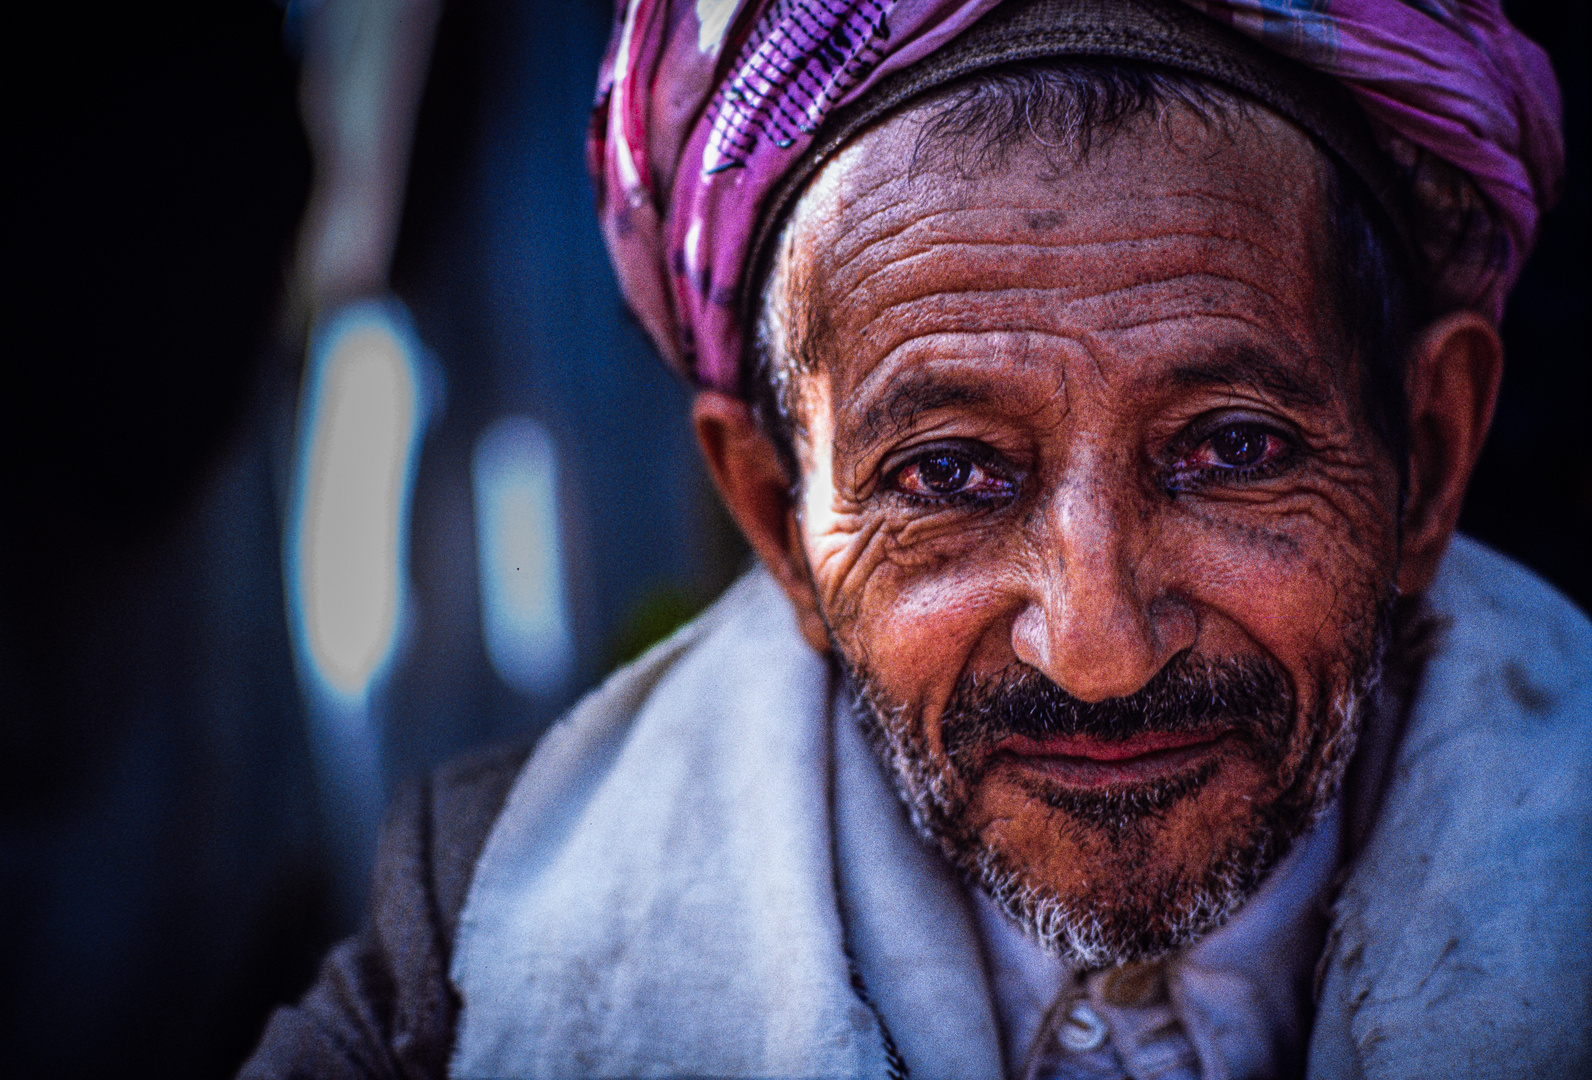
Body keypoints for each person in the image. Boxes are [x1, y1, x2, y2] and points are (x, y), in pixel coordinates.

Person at [240, 1, 1586, 1077]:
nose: (1101, 646)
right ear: (777, 517)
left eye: (1231, 449)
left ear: (1430, 455)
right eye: (949, 473)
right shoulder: (484, 933)